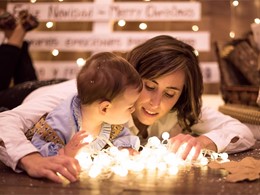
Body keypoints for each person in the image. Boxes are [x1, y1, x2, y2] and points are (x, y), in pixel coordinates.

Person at [0, 35, 256, 184]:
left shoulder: (181, 108)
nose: (156, 103)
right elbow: (6, 120)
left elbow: (240, 131)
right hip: (20, 97)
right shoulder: (81, 97)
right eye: (148, 86)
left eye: (170, 93)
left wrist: (205, 141)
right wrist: (30, 159)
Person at [28, 52, 142, 158]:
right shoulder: (61, 123)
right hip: (28, 92)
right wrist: (64, 152)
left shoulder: (111, 124)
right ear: (105, 108)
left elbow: (122, 137)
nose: (133, 109)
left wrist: (125, 149)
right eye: (130, 106)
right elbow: (36, 147)